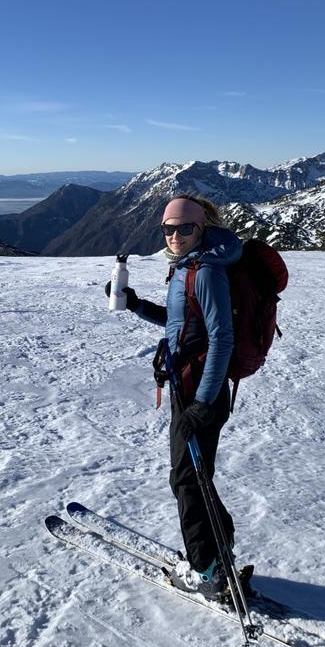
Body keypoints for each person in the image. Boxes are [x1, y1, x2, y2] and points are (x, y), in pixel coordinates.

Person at [106, 194, 242, 599]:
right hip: (189, 386)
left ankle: (205, 571)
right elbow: (181, 325)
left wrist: (202, 402)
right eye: (169, 228)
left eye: (185, 228)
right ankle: (219, 551)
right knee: (195, 477)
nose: (175, 236)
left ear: (201, 227)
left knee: (186, 479)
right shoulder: (186, 267)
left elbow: (221, 339)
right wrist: (136, 305)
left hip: (201, 391)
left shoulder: (206, 272)